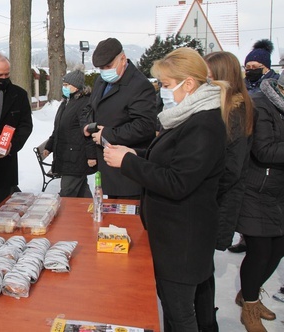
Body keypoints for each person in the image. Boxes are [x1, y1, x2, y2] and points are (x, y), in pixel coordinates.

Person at [102, 47, 227, 331]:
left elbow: (177, 181)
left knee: (180, 314)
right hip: (177, 234)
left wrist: (128, 164)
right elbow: (172, 161)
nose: (165, 92)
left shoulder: (203, 124)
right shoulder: (189, 115)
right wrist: (134, 155)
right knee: (187, 311)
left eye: (168, 85)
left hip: (183, 241)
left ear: (189, 84)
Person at [192, 51, 254, 332]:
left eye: (208, 74)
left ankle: (206, 323)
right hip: (210, 202)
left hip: (216, 204)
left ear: (222, 77)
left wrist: (195, 187)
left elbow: (230, 170)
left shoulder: (235, 114)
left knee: (202, 272)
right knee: (201, 271)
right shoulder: (220, 108)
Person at [234, 73, 284, 332]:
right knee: (260, 250)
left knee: (278, 249)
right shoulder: (260, 103)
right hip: (255, 189)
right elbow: (263, 150)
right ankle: (249, 307)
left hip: (278, 190)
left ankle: (248, 293)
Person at [82, 37, 157, 199]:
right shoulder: (101, 80)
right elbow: (90, 107)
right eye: (101, 68)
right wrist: (88, 125)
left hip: (127, 176)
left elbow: (145, 126)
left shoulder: (140, 86)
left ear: (123, 59)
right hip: (105, 168)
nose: (104, 71)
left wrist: (108, 134)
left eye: (108, 66)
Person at [0, 54, 33, 208]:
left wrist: (12, 145)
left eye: (7, 74)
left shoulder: (19, 94)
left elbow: (26, 125)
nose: (4, 78)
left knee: (2, 205)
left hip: (5, 159)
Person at [44, 66, 96, 197]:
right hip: (67, 156)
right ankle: (89, 212)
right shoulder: (67, 102)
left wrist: (91, 155)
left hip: (75, 157)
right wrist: (49, 146)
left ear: (76, 86)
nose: (64, 87)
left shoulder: (84, 103)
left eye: (67, 84)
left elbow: (88, 130)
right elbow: (59, 128)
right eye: (64, 84)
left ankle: (70, 216)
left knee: (67, 194)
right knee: (81, 190)